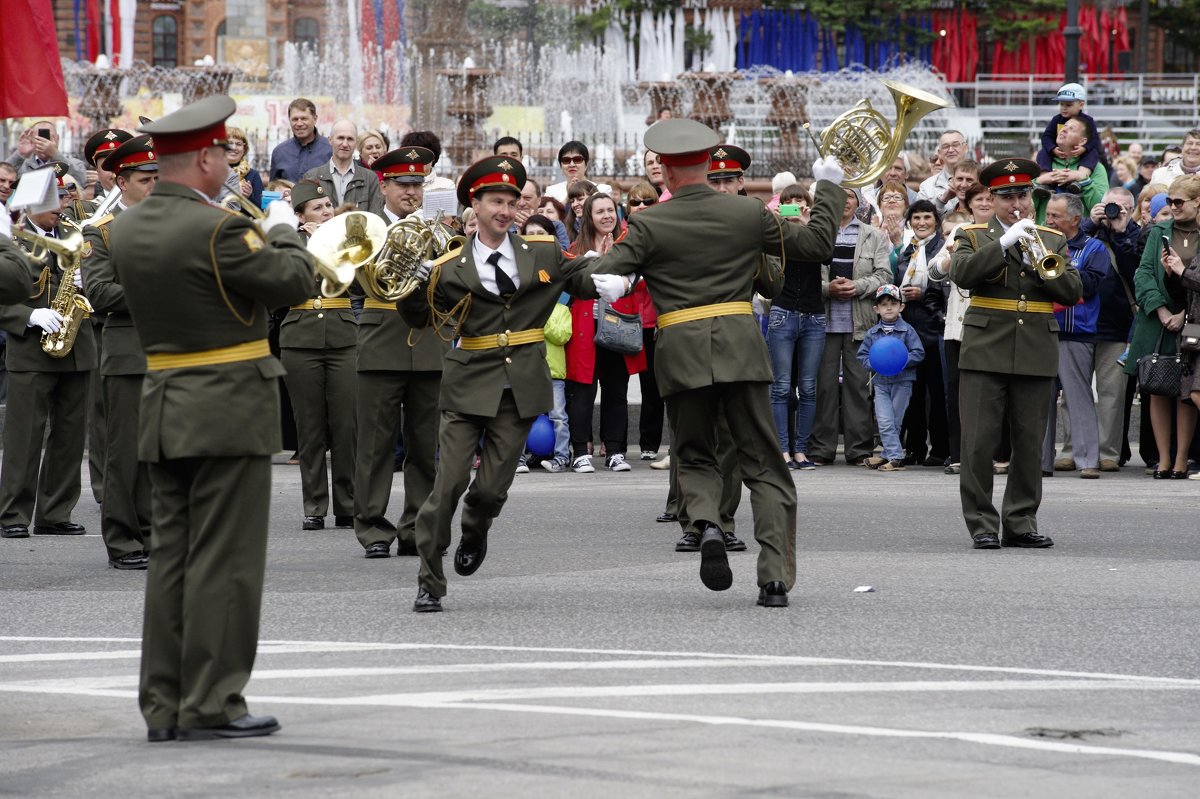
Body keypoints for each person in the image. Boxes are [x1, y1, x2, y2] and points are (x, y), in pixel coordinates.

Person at [109, 95, 314, 741]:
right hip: (228, 405)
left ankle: (162, 703)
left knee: (172, 557)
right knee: (225, 560)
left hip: (165, 402)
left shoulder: (126, 228)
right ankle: (212, 700)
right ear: (203, 156)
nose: (228, 163)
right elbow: (294, 280)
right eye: (223, 153)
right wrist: (282, 223)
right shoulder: (220, 227)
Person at [579, 119, 847, 608]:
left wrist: (604, 277)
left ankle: (706, 526)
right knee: (765, 464)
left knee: (695, 454)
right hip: (741, 348)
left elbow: (595, 274)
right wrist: (828, 184)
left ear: (666, 171)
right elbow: (817, 245)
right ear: (707, 164)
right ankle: (773, 579)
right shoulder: (747, 212)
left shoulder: (648, 222)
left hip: (680, 351)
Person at [398, 155, 630, 612]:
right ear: (475, 204)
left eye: (512, 201)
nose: (505, 210)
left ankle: (475, 529)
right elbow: (420, 318)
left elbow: (576, 276)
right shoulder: (447, 264)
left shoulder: (540, 252)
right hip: (468, 383)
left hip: (520, 384)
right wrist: (413, 284)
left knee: (489, 490)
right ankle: (430, 575)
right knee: (446, 485)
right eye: (495, 201)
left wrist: (610, 277)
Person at [950, 158, 1083, 550]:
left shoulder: (1052, 239)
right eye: (1007, 196)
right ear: (991, 198)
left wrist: (1042, 266)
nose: (1017, 204)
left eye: (1022, 195)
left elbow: (1072, 292)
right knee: (977, 442)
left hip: (1035, 349)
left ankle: (1021, 521)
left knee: (1028, 443)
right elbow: (963, 274)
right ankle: (982, 524)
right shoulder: (973, 235)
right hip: (984, 349)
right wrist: (1005, 244)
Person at [353, 146, 451, 558]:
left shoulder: (437, 231)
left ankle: (417, 527)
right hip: (381, 340)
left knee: (425, 446)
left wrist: (438, 270)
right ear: (384, 184)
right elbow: (352, 284)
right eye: (403, 184)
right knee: (375, 445)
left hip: (428, 343)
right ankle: (374, 529)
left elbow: (453, 289)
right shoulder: (367, 230)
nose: (411, 193)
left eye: (417, 184)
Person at [0, 168, 97, 541]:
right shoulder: (11, 243)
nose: (60, 208)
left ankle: (56, 512)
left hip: (77, 347)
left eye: (62, 199)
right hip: (30, 350)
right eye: (52, 202)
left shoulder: (74, 238)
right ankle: (13, 513)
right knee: (25, 436)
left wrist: (89, 282)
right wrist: (28, 315)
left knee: (70, 436)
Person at [82, 134, 159, 569]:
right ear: (123, 181)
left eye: (157, 177)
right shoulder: (102, 231)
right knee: (125, 452)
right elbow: (99, 291)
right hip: (129, 351)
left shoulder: (169, 227)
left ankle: (152, 533)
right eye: (146, 179)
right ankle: (124, 540)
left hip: (170, 352)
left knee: (159, 452)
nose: (154, 185)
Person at [278, 180, 357, 532]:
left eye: (328, 206)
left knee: (346, 425)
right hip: (300, 338)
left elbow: (356, 284)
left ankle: (347, 504)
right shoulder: (286, 242)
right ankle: (314, 505)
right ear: (300, 215)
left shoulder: (348, 241)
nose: (326, 212)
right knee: (309, 428)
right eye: (318, 208)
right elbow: (282, 288)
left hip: (343, 336)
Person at [808, 188, 893, 466]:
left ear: (859, 202)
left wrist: (857, 286)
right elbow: (803, 277)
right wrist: (826, 289)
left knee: (858, 386)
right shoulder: (815, 232)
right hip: (822, 321)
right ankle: (821, 449)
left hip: (860, 321)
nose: (844, 201)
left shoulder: (874, 235)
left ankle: (859, 449)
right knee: (824, 386)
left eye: (850, 196)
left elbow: (884, 275)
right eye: (838, 195)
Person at [1124, 175, 1200, 479]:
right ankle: (1163, 459)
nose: (1172, 207)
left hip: (1193, 321)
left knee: (1185, 390)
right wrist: (1162, 309)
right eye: (1169, 201)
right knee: (1156, 387)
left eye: (1179, 201)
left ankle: (1182, 459)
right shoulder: (1158, 231)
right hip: (1158, 320)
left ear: (1197, 202)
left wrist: (1183, 313)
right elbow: (1143, 274)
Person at [565, 192, 643, 473]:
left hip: (618, 327)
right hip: (585, 330)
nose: (607, 216)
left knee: (616, 391)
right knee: (583, 390)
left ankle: (615, 451)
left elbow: (640, 282)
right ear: (589, 217)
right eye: (600, 212)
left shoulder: (629, 246)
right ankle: (579, 452)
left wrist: (618, 264)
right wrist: (596, 260)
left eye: (611, 210)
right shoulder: (576, 248)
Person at [1041, 193, 1110, 479]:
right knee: (1039, 398)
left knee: (1078, 396)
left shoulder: (1094, 248)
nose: (1049, 220)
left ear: (1074, 220)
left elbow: (1092, 285)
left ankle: (1088, 461)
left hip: (1075, 331)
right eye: (1048, 215)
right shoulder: (1039, 244)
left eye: (1055, 216)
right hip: (1042, 330)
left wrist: (1059, 275)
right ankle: (1040, 461)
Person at [1077, 187, 1140, 471]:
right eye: (1109, 206)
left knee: (1112, 395)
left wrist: (1123, 233)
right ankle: (1075, 450)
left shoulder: (1138, 234)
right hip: (1080, 324)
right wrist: (1091, 223)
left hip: (1118, 325)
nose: (1114, 211)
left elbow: (1135, 274)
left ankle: (1108, 454)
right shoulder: (1088, 231)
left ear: (1131, 208)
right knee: (1074, 394)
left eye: (1121, 207)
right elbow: (1070, 253)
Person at [767, 183, 824, 470]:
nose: (794, 206)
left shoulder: (816, 229)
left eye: (799, 201)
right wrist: (781, 221)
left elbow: (824, 255)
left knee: (809, 388)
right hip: (783, 312)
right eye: (788, 202)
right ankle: (782, 450)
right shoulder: (774, 229)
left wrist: (805, 222)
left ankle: (801, 450)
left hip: (814, 314)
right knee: (780, 386)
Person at [894, 199, 949, 467]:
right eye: (916, 218)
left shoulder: (943, 248)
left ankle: (940, 448)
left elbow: (945, 286)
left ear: (936, 222)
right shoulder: (907, 251)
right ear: (909, 223)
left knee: (937, 393)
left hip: (934, 328)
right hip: (909, 331)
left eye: (927, 217)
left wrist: (923, 293)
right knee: (912, 393)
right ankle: (913, 447)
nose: (921, 223)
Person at [857, 284, 925, 471]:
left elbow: (919, 352)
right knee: (885, 421)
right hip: (881, 383)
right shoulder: (872, 333)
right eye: (884, 304)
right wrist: (876, 363)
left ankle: (889, 455)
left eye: (893, 303)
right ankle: (895, 456)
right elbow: (862, 356)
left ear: (901, 307)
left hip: (903, 382)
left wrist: (899, 361)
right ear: (876, 309)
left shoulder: (908, 331)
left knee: (894, 421)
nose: (888, 308)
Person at [624, 181, 666, 460]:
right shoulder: (620, 236)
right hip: (623, 320)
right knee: (614, 385)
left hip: (652, 321)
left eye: (647, 202)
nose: (641, 207)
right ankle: (610, 445)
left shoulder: (663, 236)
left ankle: (649, 444)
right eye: (636, 202)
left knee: (652, 386)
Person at [302, 120, 383, 215]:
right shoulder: (312, 177)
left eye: (350, 139)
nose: (345, 144)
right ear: (330, 140)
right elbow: (307, 216)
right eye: (340, 138)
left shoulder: (370, 179)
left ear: (356, 143)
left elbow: (375, 218)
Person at [1036, 83, 1104, 187]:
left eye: (1068, 105)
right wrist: (1053, 148)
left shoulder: (1088, 120)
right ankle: (1045, 177)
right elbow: (1046, 137)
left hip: (1079, 153)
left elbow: (1094, 139)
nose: (1064, 108)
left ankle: (1081, 175)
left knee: (1092, 152)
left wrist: (1085, 148)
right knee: (1043, 151)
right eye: (1061, 104)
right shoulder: (1056, 119)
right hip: (1058, 152)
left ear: (1081, 105)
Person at [268, 98, 332, 182]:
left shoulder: (331, 149)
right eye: (295, 119)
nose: (299, 124)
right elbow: (273, 188)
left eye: (304, 118)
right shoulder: (279, 152)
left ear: (315, 119)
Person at [919, 130, 969, 214]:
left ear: (965, 148)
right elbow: (920, 218)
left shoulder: (980, 181)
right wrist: (942, 201)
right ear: (939, 153)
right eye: (945, 146)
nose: (950, 150)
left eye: (955, 145)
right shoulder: (926, 186)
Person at [223, 127, 263, 209]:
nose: (234, 147)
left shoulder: (253, 175)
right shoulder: (212, 172)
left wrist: (249, 197)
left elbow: (262, 211)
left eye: (238, 144)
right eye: (229, 143)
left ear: (244, 149)